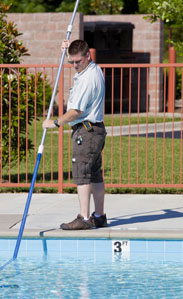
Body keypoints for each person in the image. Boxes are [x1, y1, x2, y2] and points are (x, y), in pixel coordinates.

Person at [42, 39, 107, 230]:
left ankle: (85, 217)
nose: (74, 65)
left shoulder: (88, 79)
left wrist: (54, 122)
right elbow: (78, 50)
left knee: (82, 174)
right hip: (94, 130)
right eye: (72, 62)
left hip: (86, 132)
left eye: (78, 61)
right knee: (95, 174)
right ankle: (99, 216)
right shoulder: (93, 68)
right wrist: (67, 47)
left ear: (88, 56)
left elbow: (75, 111)